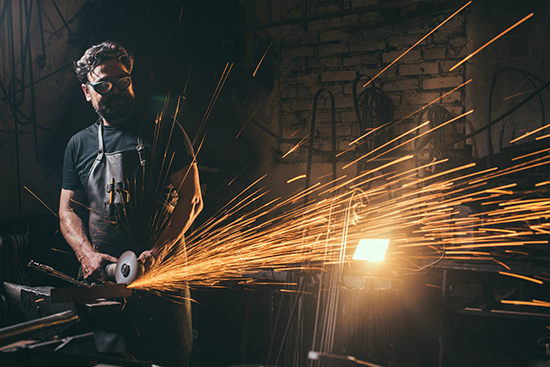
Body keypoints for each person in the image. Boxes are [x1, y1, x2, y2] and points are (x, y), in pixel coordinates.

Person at [58, 40, 202, 366]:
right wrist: (86, 254)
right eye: (103, 85)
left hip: (161, 279)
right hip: (105, 283)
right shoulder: (78, 145)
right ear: (87, 92)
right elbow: (67, 210)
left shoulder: (163, 130)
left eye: (123, 81)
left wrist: (159, 251)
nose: (116, 90)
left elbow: (191, 199)